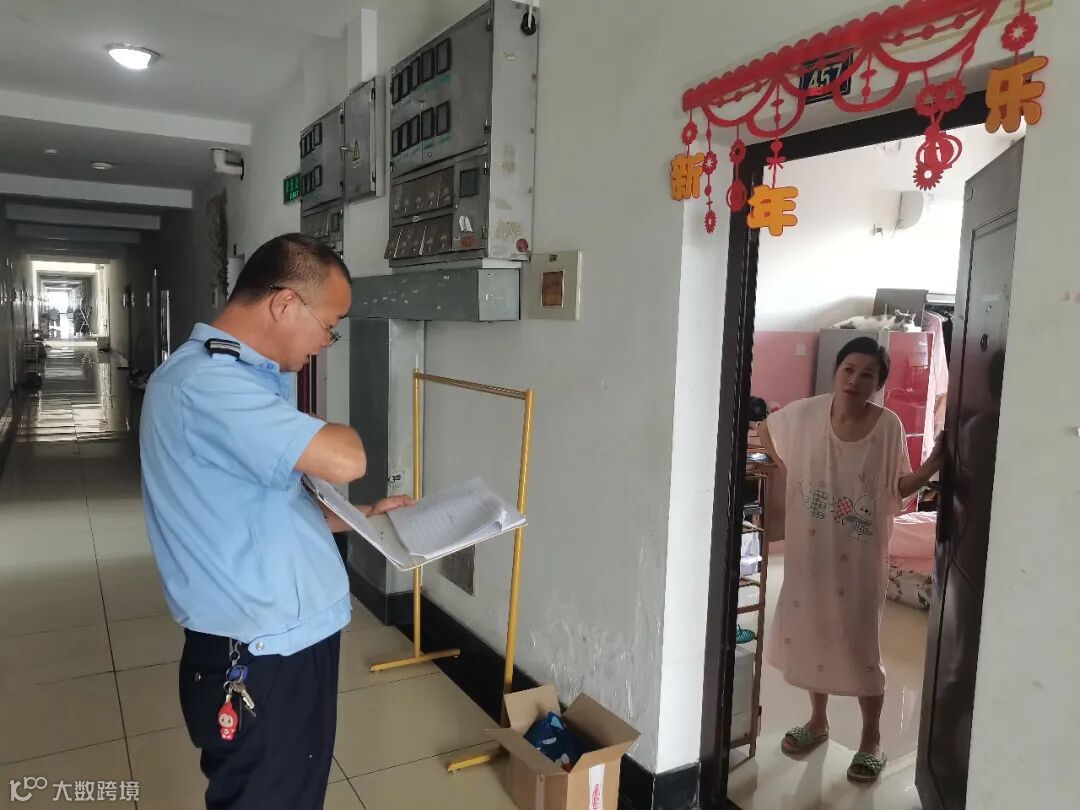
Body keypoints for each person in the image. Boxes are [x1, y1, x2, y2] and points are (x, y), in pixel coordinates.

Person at [140, 233, 412, 809]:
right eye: (329, 326)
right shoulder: (208, 385)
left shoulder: (248, 379)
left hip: (286, 642)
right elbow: (347, 459)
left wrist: (361, 516)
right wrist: (330, 430)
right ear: (285, 303)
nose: (327, 343)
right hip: (257, 655)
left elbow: (266, 506)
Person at [757, 336, 944, 784]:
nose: (856, 380)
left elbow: (897, 489)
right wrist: (789, 469)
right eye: (849, 369)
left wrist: (932, 465)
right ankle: (817, 721)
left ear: (878, 383)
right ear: (836, 371)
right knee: (812, 632)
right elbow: (767, 429)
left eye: (867, 374)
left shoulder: (887, 426)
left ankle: (871, 740)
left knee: (860, 644)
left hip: (860, 555)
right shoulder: (807, 414)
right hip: (811, 552)